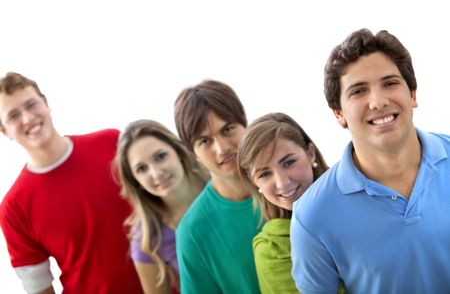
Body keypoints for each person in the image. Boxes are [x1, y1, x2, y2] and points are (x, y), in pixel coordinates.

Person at [290, 28, 450, 293]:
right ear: (339, 113)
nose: (378, 101)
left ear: (412, 94)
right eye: (359, 91)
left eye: (390, 83)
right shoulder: (312, 217)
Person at [0, 72, 143, 294]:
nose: (27, 119)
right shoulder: (13, 208)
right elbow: (39, 288)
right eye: (14, 116)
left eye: (31, 105)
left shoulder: (112, 143)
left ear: (46, 104)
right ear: (4, 130)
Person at [173, 79, 262, 293]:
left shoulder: (289, 185)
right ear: (193, 153)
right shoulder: (192, 232)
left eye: (228, 129)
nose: (222, 148)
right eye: (204, 141)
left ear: (245, 125)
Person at [237, 112, 329, 294]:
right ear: (254, 183)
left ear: (310, 154)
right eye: (264, 174)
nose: (282, 182)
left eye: (288, 163)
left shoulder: (360, 198)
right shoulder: (271, 250)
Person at [114, 119, 209, 294]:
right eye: (142, 169)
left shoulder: (219, 182)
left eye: (160, 157)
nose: (156, 173)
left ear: (178, 151)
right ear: (135, 180)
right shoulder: (148, 237)